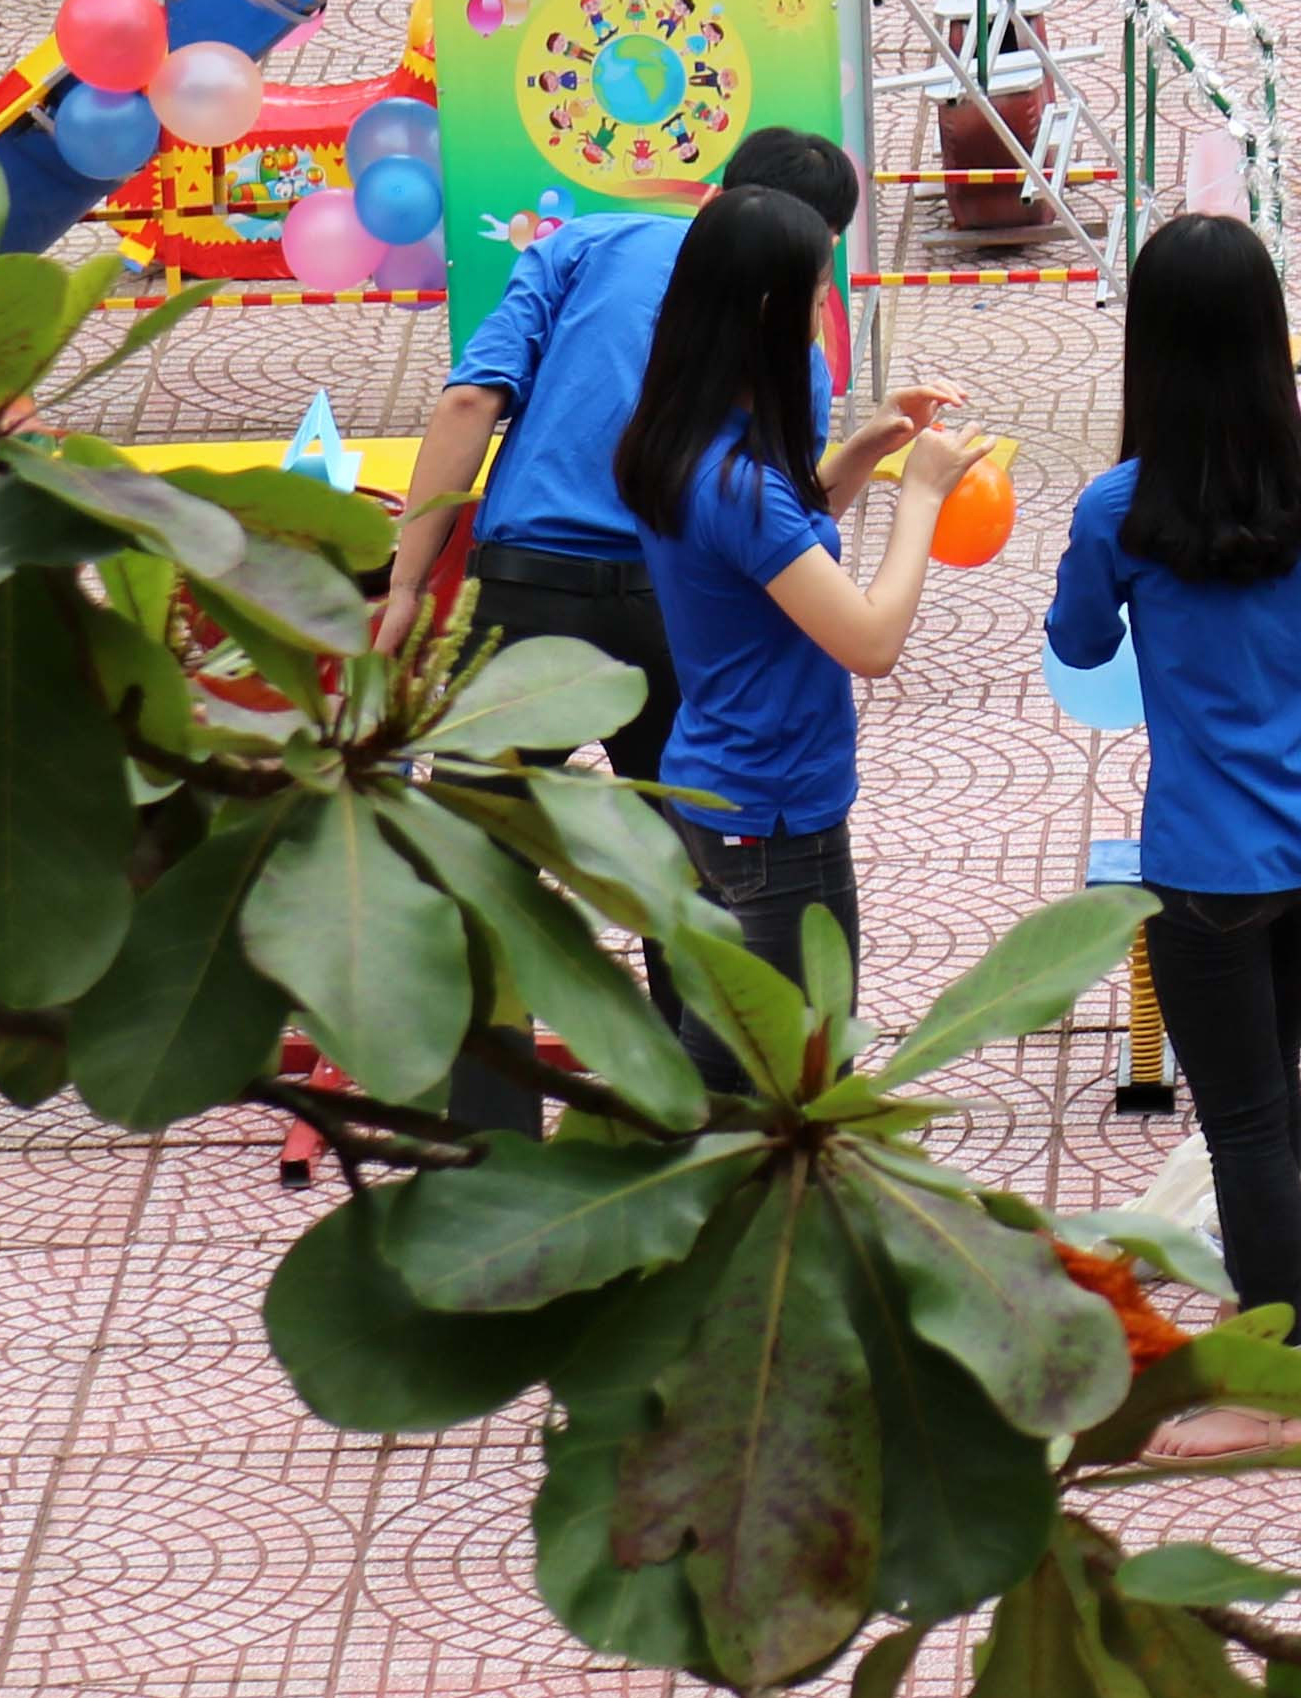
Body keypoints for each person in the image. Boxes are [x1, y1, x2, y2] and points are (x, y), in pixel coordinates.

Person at [1049, 212, 1301, 1344]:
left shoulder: (1120, 508)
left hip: (1208, 863)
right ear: (1270, 332)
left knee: (1249, 1119)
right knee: (1261, 1091)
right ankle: (1262, 1290)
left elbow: (1075, 643)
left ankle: (1274, 1361)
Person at [391, 125, 879, 816]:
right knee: (683, 888)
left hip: (523, 591)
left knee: (472, 872)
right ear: (818, 246)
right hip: (674, 612)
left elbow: (471, 400)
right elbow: (781, 527)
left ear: (714, 197)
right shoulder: (795, 354)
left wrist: (407, 584)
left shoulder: (586, 246)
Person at [614, 183, 979, 1053]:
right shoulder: (742, 486)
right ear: (775, 314)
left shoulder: (677, 438)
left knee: (725, 1054)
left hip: (711, 789)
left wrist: (860, 453)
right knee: (787, 1086)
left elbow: (772, 555)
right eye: (821, 298)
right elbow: (870, 640)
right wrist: (920, 495)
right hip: (774, 816)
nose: (828, 315)